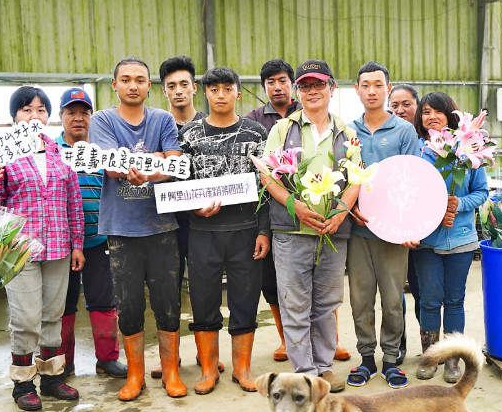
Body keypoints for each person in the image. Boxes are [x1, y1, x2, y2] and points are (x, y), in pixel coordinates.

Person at [0, 85, 85, 411]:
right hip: (20, 250)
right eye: (27, 109)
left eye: (41, 110)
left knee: (54, 314)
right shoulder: (1, 154)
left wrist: (77, 244)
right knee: (26, 318)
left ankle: (52, 377)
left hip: (58, 246)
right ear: (14, 117)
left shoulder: (59, 152)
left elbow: (73, 203)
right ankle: (23, 383)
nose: (34, 115)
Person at [89, 56, 186, 401]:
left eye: (140, 80)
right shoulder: (101, 119)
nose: (133, 85)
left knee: (167, 302)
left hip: (161, 227)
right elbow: (109, 164)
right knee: (128, 306)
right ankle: (135, 375)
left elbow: (176, 163)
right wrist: (152, 162)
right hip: (121, 229)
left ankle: (171, 371)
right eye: (126, 79)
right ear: (115, 85)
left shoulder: (162, 119)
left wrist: (149, 168)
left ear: (149, 86)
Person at [261, 59, 360, 393]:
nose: (312, 91)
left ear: (332, 88)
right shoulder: (282, 129)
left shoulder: (346, 132)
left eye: (319, 85)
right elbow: (267, 174)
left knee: (326, 303)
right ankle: (305, 371)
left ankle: (325, 366)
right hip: (292, 233)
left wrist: (341, 211)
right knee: (294, 302)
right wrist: (295, 205)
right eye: (305, 86)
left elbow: (356, 178)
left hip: (332, 232)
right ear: (297, 91)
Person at [179, 66, 270, 394]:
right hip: (202, 232)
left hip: (246, 230)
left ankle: (242, 369)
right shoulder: (189, 135)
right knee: (203, 300)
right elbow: (180, 183)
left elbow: (266, 187)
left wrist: (265, 231)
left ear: (237, 93)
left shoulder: (257, 134)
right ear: (205, 93)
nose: (220, 95)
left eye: (226, 89)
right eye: (213, 89)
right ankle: (208, 370)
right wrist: (192, 205)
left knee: (245, 299)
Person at [405, 92, 488, 383]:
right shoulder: (416, 151)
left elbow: (482, 192)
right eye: (426, 112)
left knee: (454, 301)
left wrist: (458, 204)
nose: (432, 117)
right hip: (427, 240)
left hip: (461, 239)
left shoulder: (469, 149)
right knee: (429, 300)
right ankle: (430, 357)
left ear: (450, 115)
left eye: (438, 111)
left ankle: (452, 359)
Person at [345, 62, 418, 389]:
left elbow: (412, 181)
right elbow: (342, 178)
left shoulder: (404, 131)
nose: (372, 90)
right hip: (358, 231)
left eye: (378, 84)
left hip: (392, 233)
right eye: (365, 85)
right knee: (360, 299)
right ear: (357, 90)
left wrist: (408, 226)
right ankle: (366, 360)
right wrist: (351, 208)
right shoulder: (347, 132)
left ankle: (391, 359)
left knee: (392, 300)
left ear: (387, 89)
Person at [151, 55, 220, 380]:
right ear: (164, 91)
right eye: (171, 86)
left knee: (205, 287)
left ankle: (207, 355)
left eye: (183, 85)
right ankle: (170, 359)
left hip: (206, 220)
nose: (178, 91)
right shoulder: (157, 127)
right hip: (166, 221)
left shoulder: (211, 125)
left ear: (195, 88)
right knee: (168, 287)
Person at [55, 88, 127, 380]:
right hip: (60, 243)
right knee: (63, 303)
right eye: (71, 112)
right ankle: (63, 361)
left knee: (104, 300)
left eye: (84, 112)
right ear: (61, 117)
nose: (78, 118)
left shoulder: (102, 152)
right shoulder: (51, 153)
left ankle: (107, 360)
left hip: (98, 240)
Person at [388, 83, 421, 364]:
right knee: (394, 294)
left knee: (423, 293)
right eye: (394, 105)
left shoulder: (433, 141)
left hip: (423, 231)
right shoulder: (390, 136)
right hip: (393, 228)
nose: (400, 110)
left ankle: (429, 345)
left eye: (406, 104)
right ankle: (398, 346)